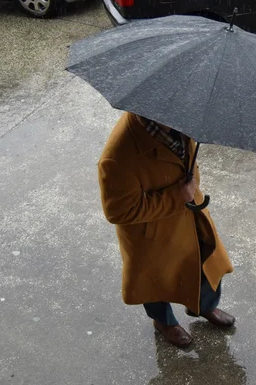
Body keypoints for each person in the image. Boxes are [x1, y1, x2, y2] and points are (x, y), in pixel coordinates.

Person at [98, 112, 235, 348]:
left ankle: (205, 306)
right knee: (155, 280)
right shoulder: (118, 155)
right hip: (151, 233)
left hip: (189, 214)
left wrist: (192, 184)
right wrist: (177, 196)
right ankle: (164, 322)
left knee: (205, 261)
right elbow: (118, 212)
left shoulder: (180, 121)